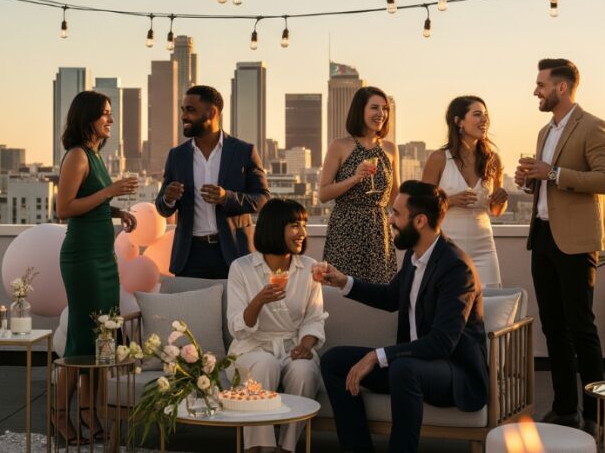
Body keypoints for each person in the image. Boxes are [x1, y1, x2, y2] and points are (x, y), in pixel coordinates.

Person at [316, 180, 487, 453]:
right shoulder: (414, 256)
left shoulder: (456, 267)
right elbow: (390, 298)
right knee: (334, 361)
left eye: (396, 213)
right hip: (408, 367)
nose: (389, 219)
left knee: (403, 368)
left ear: (419, 221)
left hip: (451, 372)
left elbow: (443, 344)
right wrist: (343, 281)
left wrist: (378, 355)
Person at [515, 58, 605, 435]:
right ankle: (564, 410)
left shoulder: (593, 127)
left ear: (561, 88)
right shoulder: (545, 132)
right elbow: (548, 184)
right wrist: (530, 181)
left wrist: (553, 173)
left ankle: (595, 416)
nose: (535, 91)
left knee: (581, 328)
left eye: (540, 84)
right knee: (553, 328)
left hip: (575, 242)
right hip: (542, 236)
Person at [56, 90, 139, 443]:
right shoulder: (77, 155)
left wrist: (119, 211)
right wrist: (111, 193)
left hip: (104, 258)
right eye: (105, 113)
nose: (111, 119)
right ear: (87, 117)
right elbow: (65, 208)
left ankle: (89, 411)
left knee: (103, 337)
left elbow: (91, 203)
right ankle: (59, 412)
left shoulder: (94, 155)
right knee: (81, 337)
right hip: (83, 259)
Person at [226, 199, 327, 453]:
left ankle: (287, 446)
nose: (302, 233)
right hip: (251, 348)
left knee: (304, 371)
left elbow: (314, 318)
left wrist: (305, 346)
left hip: (292, 346)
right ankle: (260, 447)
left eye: (303, 225)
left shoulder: (308, 270)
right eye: (294, 225)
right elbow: (237, 327)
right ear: (273, 227)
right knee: (265, 364)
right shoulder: (241, 268)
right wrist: (259, 300)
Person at [155, 85, 270, 279]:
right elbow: (162, 208)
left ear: (212, 112)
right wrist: (168, 198)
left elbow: (263, 199)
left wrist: (227, 198)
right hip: (190, 256)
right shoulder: (177, 156)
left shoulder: (244, 152)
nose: (183, 116)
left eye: (190, 110)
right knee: (191, 311)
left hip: (234, 254)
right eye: (183, 110)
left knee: (235, 310)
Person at [423, 95, 508, 288]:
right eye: (477, 115)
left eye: (485, 115)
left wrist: (500, 200)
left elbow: (495, 211)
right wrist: (450, 200)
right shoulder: (438, 159)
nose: (484, 120)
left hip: (484, 247)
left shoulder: (494, 160)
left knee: (489, 303)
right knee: (448, 302)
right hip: (447, 244)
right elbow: (423, 204)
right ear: (458, 121)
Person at [320, 86, 399, 285]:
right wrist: (354, 179)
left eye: (385, 108)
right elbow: (323, 194)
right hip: (346, 228)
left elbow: (395, 196)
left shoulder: (390, 149)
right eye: (374, 108)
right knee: (341, 291)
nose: (381, 113)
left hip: (379, 230)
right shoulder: (339, 145)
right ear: (360, 110)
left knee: (380, 293)